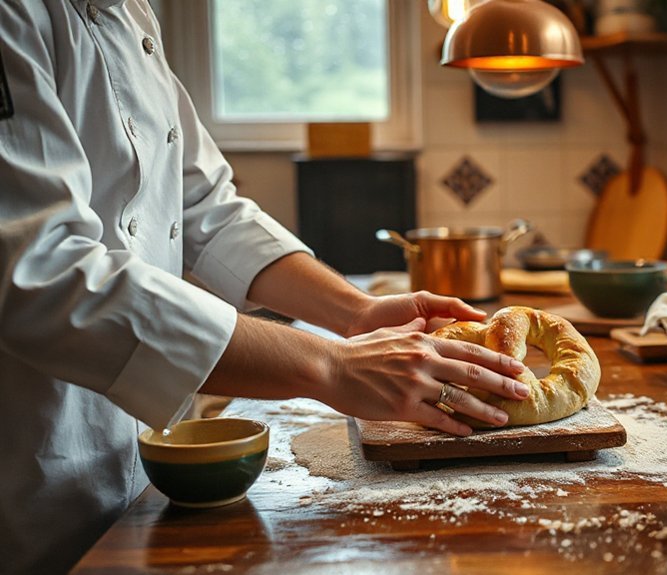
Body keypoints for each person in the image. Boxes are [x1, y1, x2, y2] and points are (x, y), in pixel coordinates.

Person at [0, 1, 528, 573]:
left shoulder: (132, 15)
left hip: (138, 470)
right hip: (32, 474)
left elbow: (208, 209)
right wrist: (332, 365)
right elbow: (40, 274)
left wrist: (357, 313)